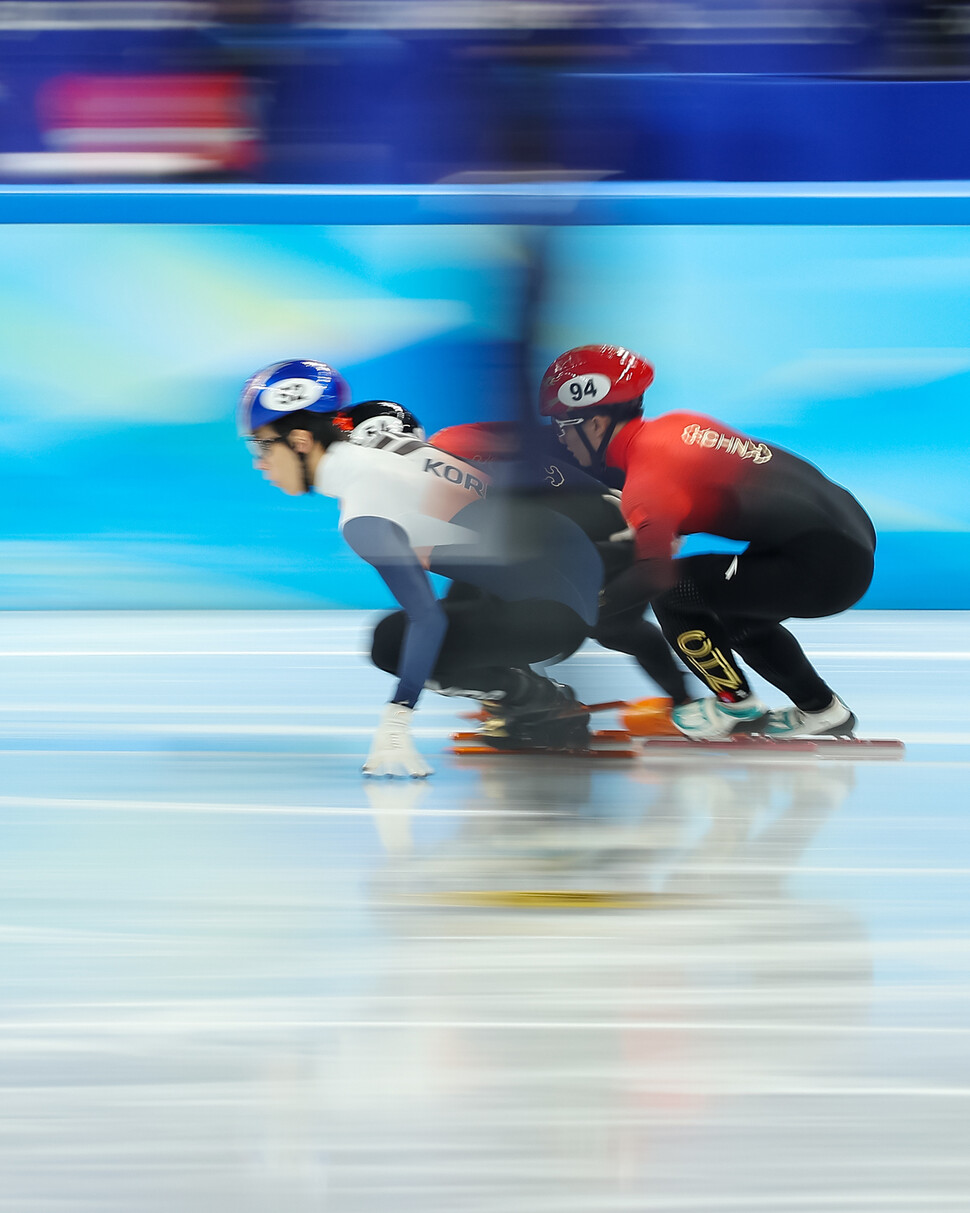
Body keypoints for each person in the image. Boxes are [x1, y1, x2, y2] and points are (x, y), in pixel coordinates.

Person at [238, 360, 605, 775]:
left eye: (262, 446)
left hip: (555, 616)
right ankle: (530, 688)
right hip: (573, 572)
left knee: (390, 642)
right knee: (466, 583)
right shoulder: (403, 456)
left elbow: (425, 619)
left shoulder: (363, 509)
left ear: (301, 441)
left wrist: (398, 718)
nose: (258, 463)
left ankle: (535, 700)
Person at [538, 344, 876, 741]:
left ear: (595, 424)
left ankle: (734, 705)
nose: (563, 441)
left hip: (823, 561)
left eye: (564, 427)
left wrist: (588, 606)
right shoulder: (675, 428)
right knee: (735, 614)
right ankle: (822, 710)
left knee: (675, 589)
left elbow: (654, 573)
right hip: (844, 538)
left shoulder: (648, 480)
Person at [428, 418, 693, 707]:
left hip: (618, 539)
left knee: (612, 628)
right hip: (587, 536)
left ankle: (683, 699)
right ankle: (527, 695)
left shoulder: (542, 478)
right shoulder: (501, 468)